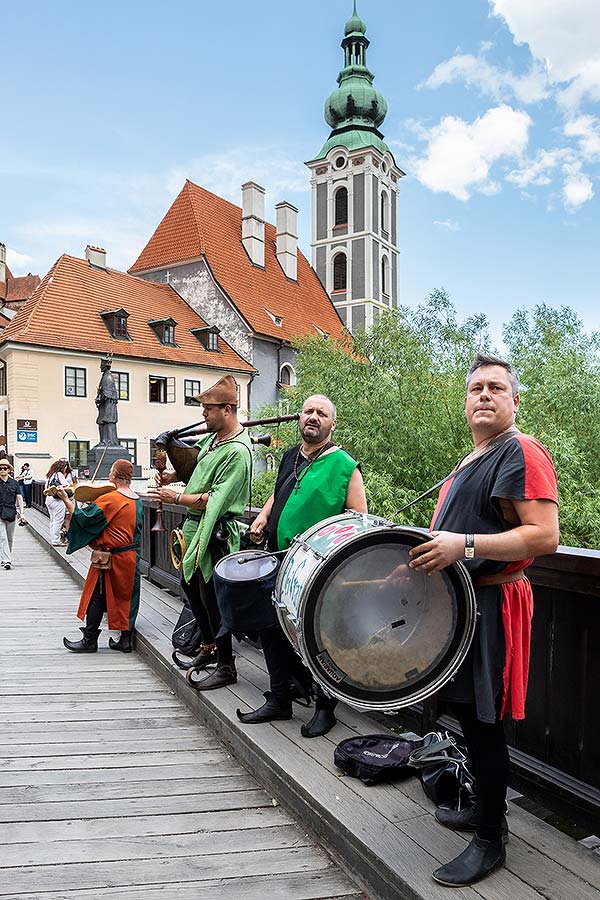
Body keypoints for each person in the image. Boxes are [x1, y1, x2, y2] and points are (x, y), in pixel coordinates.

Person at [406, 354, 559, 887]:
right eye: (476, 388)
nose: (485, 395)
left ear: (515, 402)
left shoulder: (521, 450)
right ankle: (481, 809)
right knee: (471, 722)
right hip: (464, 609)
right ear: (466, 402)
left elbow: (543, 536)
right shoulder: (470, 461)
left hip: (494, 606)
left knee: (487, 725)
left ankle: (491, 837)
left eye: (497, 388)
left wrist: (463, 545)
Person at [236, 394, 367, 737]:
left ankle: (326, 708)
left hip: (321, 570)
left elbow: (359, 520)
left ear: (332, 423)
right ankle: (280, 698)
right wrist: (265, 515)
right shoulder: (291, 456)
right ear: (300, 418)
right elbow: (279, 494)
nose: (313, 417)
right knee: (272, 628)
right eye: (308, 411)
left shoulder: (344, 465)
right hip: (280, 559)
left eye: (322, 413)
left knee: (323, 638)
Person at [150, 374, 252, 691]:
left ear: (227, 409)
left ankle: (226, 665)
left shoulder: (237, 451)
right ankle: (208, 648)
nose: (203, 415)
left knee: (214, 599)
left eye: (208, 409)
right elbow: (196, 473)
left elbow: (217, 498)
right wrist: (169, 478)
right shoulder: (212, 440)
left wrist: (176, 498)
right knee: (191, 588)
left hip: (217, 533)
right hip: (197, 528)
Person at [60, 459, 142, 653]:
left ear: (114, 475)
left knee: (96, 595)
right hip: (131, 555)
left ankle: (89, 640)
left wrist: (66, 499)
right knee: (127, 597)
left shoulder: (113, 499)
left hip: (110, 558)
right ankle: (125, 640)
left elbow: (84, 519)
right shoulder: (136, 499)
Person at [0, 461, 24, 570]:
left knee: (9, 538)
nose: (2, 470)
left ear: (9, 470)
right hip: (0, 513)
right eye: (0, 468)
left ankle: (4, 557)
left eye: (5, 468)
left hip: (11, 513)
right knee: (3, 537)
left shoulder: (14, 483)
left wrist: (22, 513)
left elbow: (19, 498)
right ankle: (7, 560)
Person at [44, 460, 69, 545]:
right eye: (65, 467)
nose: (65, 469)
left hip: (48, 499)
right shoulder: (59, 475)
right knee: (58, 521)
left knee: (53, 520)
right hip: (57, 499)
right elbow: (65, 485)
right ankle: (56, 540)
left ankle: (53, 538)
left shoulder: (49, 475)